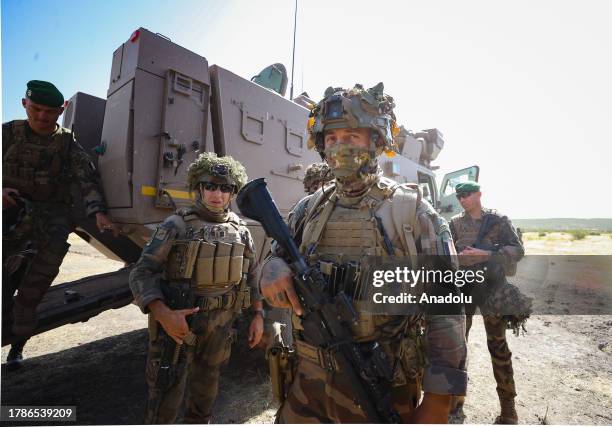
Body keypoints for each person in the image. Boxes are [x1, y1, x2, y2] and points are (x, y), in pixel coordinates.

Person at [259, 83, 468, 423]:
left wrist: (439, 399)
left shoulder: (412, 213)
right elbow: (273, 256)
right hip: (307, 379)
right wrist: (270, 267)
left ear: (376, 141)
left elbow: (448, 306)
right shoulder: (307, 209)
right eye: (331, 139)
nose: (340, 148)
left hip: (381, 383)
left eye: (352, 137)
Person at [129, 152, 264, 424]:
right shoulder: (176, 225)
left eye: (225, 188)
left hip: (220, 327)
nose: (217, 194)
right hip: (178, 326)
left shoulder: (241, 230)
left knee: (205, 394)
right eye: (210, 186)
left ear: (232, 192)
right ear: (199, 188)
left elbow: (252, 276)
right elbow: (142, 272)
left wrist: (258, 314)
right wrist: (163, 314)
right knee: (167, 395)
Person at [3, 80, 116, 368]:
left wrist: (98, 212)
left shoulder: (67, 144)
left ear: (62, 109)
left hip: (49, 218)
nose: (42, 117)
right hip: (10, 216)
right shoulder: (7, 134)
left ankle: (17, 346)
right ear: (24, 104)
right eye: (36, 109)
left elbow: (86, 180)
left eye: (50, 111)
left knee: (34, 286)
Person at [449, 181, 525, 424]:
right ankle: (455, 403)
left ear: (479, 194)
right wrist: (458, 260)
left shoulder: (498, 221)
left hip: (492, 290)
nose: (463, 199)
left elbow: (518, 250)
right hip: (465, 287)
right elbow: (444, 254)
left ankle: (508, 408)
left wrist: (488, 255)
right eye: (459, 196)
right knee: (458, 347)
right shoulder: (454, 224)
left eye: (467, 195)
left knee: (498, 347)